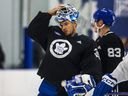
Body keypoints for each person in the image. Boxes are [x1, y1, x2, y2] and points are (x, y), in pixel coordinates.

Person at [27, 4, 102, 96]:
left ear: (74, 23)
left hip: (67, 89)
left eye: (66, 24)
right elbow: (32, 31)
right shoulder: (53, 33)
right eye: (61, 25)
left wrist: (81, 84)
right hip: (47, 85)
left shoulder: (87, 43)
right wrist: (48, 14)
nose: (63, 27)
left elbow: (94, 71)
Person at [92, 8, 125, 93]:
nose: (93, 23)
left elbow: (114, 65)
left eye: (95, 20)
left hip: (112, 85)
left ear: (100, 23)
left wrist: (109, 84)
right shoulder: (100, 39)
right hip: (104, 82)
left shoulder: (112, 39)